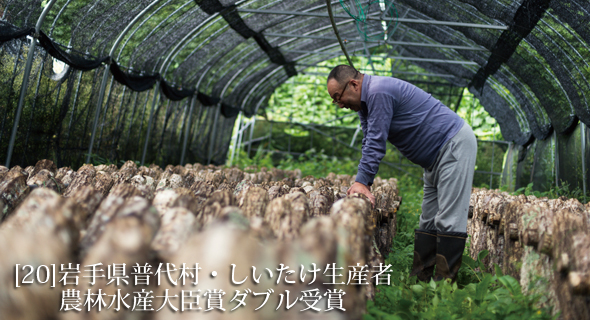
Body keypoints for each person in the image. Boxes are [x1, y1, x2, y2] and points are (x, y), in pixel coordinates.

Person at [326, 65, 477, 282]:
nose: (340, 104)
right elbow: (368, 139)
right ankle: (421, 283)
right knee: (428, 220)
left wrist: (362, 181)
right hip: (434, 158)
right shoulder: (365, 104)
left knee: (449, 220)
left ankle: (445, 291)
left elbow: (377, 141)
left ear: (353, 84)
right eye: (335, 100)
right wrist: (362, 181)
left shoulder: (379, 92)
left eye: (338, 97)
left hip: (452, 144)